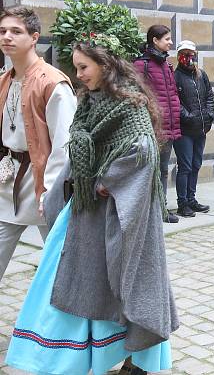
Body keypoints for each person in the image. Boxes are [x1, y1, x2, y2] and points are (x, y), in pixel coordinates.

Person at [5, 40, 177, 375]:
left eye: (84, 67)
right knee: (69, 278)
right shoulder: (91, 102)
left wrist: (105, 181)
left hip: (118, 211)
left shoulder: (131, 105)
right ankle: (71, 357)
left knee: (127, 281)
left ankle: (136, 358)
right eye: (77, 67)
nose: (79, 74)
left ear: (106, 64)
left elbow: (143, 151)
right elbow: (80, 147)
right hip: (85, 210)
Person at [0, 6, 76, 283]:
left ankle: (72, 323)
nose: (7, 37)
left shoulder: (53, 83)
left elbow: (65, 145)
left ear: (34, 37)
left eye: (15, 31)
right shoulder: (5, 81)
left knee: (61, 264)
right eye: (3, 31)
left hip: (44, 183)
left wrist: (50, 191)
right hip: (9, 182)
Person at [133, 25, 181, 223]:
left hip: (169, 126)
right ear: (155, 40)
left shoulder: (167, 64)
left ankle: (161, 208)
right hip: (151, 127)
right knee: (146, 170)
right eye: (167, 39)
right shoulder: (141, 65)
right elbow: (136, 95)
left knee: (162, 169)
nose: (170, 42)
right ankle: (146, 211)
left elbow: (172, 94)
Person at [172, 40, 213, 218]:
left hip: (201, 129)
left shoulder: (201, 74)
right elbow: (175, 101)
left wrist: (209, 114)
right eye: (184, 53)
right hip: (184, 130)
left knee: (196, 165)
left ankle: (191, 199)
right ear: (179, 55)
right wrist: (188, 116)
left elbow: (209, 95)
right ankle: (183, 203)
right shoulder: (175, 76)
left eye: (191, 54)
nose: (188, 57)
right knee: (185, 166)